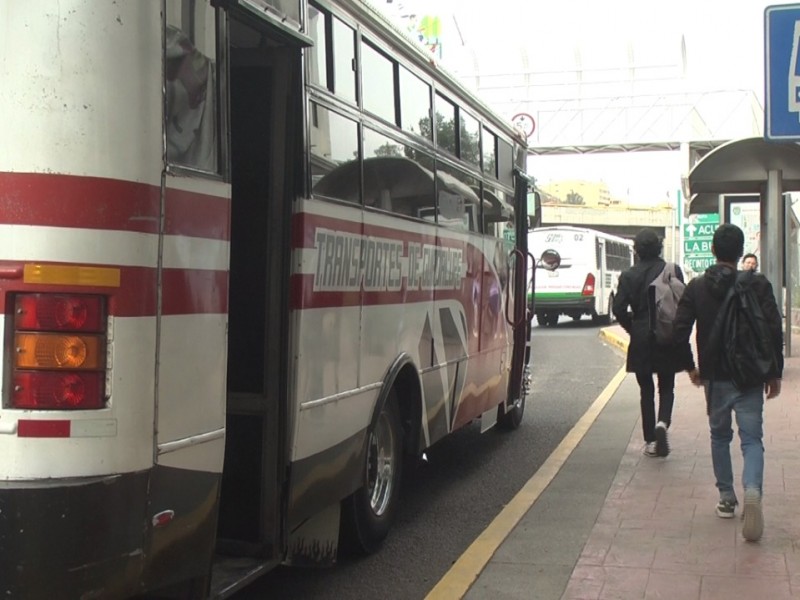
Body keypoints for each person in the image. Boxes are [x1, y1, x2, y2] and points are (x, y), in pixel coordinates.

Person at [673, 224, 782, 542]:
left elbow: (680, 330)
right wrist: (773, 373)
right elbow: (773, 328)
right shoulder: (758, 284)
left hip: (715, 376)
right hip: (749, 374)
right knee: (751, 439)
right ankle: (752, 489)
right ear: (740, 252)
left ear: (712, 250)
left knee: (719, 436)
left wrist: (690, 367)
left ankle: (726, 498)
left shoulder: (696, 287)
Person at [613, 228, 695, 458]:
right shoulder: (672, 270)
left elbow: (618, 308)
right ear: (659, 247)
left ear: (636, 250)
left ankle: (650, 440)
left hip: (641, 337)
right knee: (666, 386)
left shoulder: (628, 275)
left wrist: (633, 327)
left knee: (646, 390)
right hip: (666, 335)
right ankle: (663, 423)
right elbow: (684, 302)